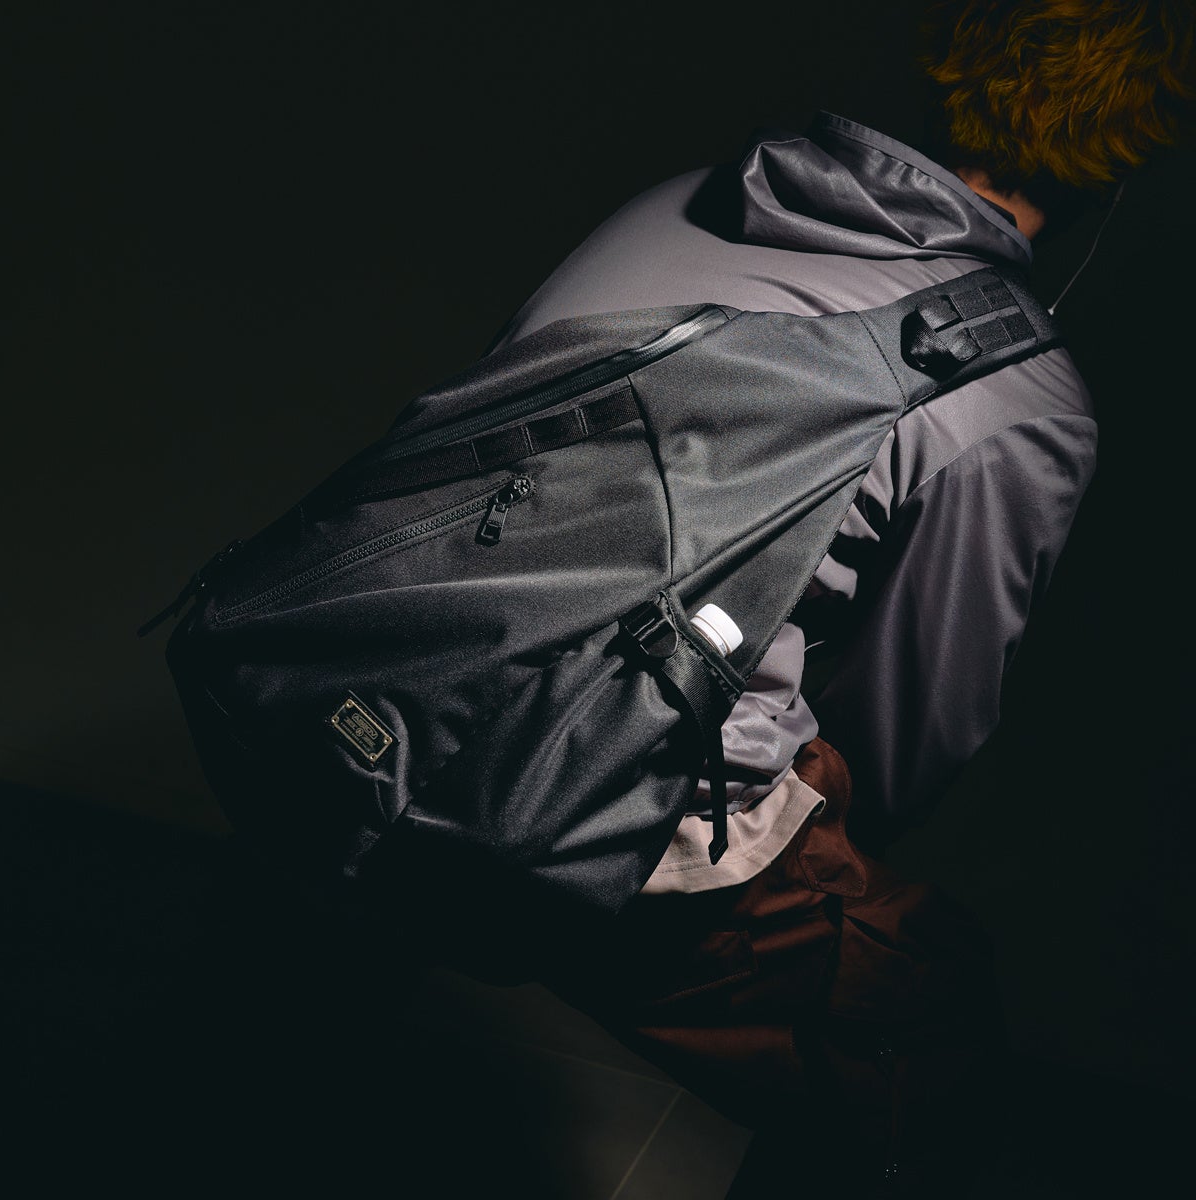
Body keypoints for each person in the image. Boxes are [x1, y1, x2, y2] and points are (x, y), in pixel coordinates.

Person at [476, 1, 1194, 1194]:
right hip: (599, 821)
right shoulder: (1021, 394)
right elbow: (906, 738)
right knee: (928, 1048)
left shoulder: (677, 202)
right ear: (1126, 160)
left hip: (366, 698)